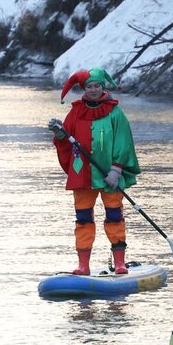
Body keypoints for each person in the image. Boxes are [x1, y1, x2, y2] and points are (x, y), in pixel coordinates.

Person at [47, 67, 140, 275]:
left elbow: (123, 142)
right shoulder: (75, 112)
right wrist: (59, 133)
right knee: (83, 219)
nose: (94, 90)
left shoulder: (115, 113)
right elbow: (66, 139)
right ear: (84, 89)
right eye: (89, 87)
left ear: (103, 86)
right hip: (83, 176)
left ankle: (119, 263)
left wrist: (117, 169)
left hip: (110, 176)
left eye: (97, 86)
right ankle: (83, 265)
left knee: (114, 216)